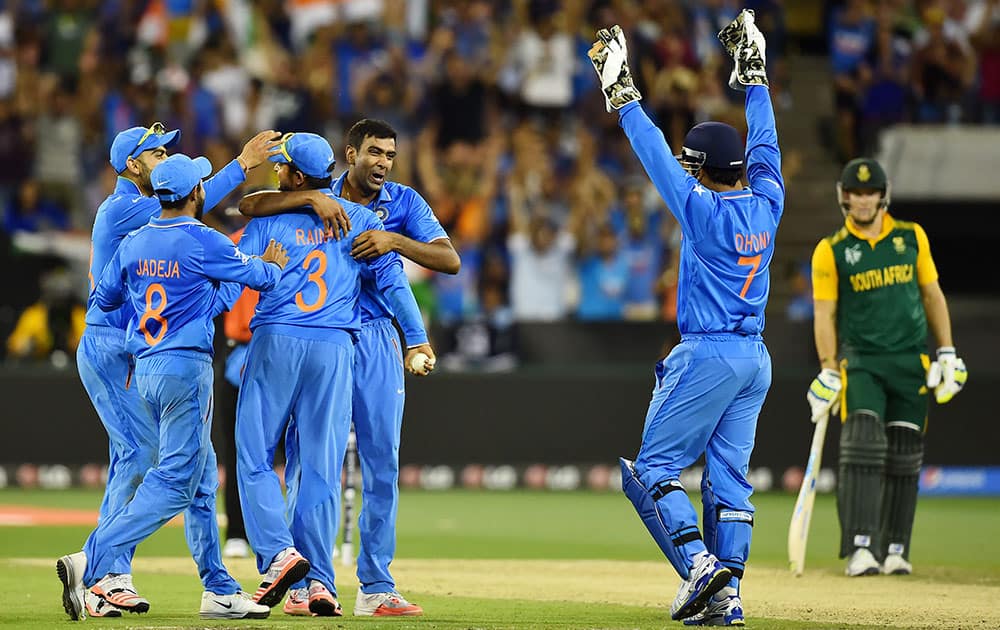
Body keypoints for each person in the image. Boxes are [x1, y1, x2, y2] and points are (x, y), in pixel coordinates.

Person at [590, 10, 782, 626]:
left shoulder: (702, 212)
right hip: (756, 358)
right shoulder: (770, 203)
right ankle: (730, 600)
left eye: (691, 162)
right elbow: (766, 142)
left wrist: (623, 96)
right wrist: (754, 77)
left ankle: (701, 570)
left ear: (701, 167)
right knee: (729, 481)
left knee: (652, 471)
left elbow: (654, 157)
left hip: (707, 352)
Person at [239, 119, 459, 617]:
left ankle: (375, 585)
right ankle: (310, 581)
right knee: (311, 460)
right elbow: (257, 204)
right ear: (350, 154)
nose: (383, 163)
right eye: (375, 153)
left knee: (381, 462)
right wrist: (310, 200)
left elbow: (448, 261)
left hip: (374, 339)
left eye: (390, 155)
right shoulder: (323, 194)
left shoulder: (402, 203)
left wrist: (395, 245)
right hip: (333, 338)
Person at [57, 153, 289, 622]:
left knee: (202, 477)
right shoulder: (204, 239)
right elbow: (258, 276)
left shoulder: (137, 240)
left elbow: (104, 295)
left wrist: (157, 300)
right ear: (196, 193)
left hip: (146, 367)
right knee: (175, 481)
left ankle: (219, 589)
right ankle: (92, 561)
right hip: (186, 369)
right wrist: (272, 263)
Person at [807, 157, 967, 577]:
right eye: (856, 193)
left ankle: (896, 547)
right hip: (861, 361)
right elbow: (824, 313)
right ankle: (861, 547)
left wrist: (947, 351)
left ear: (883, 194)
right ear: (844, 197)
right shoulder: (832, 249)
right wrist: (827, 368)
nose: (863, 200)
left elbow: (932, 295)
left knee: (904, 454)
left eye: (870, 192)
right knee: (861, 448)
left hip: (911, 361)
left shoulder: (912, 238)